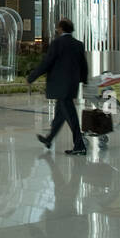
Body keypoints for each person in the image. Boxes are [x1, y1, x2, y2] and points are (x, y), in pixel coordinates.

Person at [26, 18, 88, 155]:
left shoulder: (57, 43)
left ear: (61, 28)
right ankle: (49, 139)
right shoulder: (78, 44)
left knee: (71, 117)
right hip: (71, 86)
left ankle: (80, 145)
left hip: (60, 86)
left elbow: (47, 63)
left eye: (57, 27)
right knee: (60, 115)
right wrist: (84, 80)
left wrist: (32, 77)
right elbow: (83, 64)